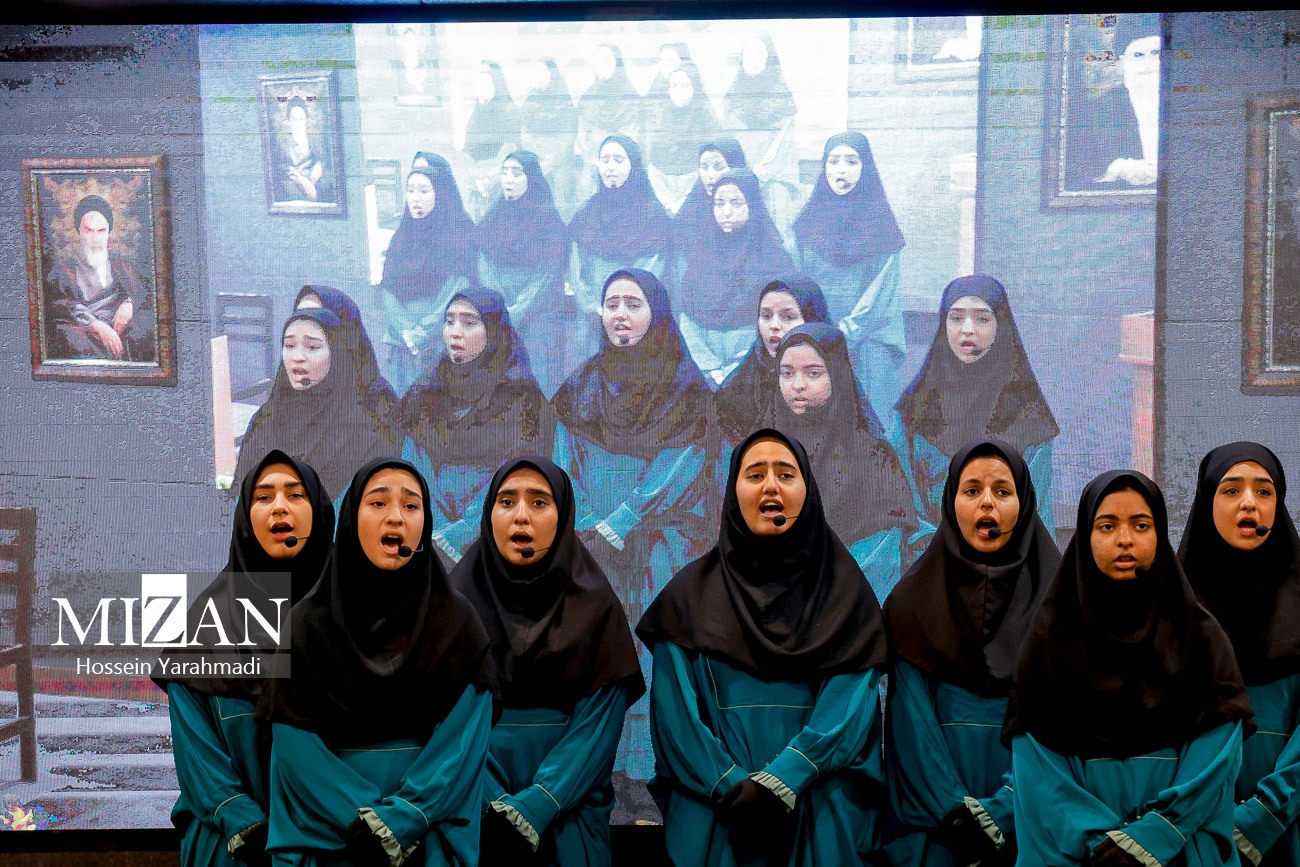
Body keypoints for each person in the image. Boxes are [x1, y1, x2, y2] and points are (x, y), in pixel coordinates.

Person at [637, 428, 890, 866]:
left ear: (808, 491)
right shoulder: (686, 599)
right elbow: (676, 720)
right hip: (721, 813)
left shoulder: (846, 595)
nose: (771, 486)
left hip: (818, 811)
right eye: (755, 475)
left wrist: (784, 779)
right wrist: (730, 784)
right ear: (733, 492)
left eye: (786, 474)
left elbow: (849, 710)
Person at [1004, 470, 1255, 867]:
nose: (1125, 539)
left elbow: (1217, 757)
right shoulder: (1050, 639)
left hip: (1180, 851)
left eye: (1141, 525)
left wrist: (1154, 836)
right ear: (1085, 536)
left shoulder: (1200, 637)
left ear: (1160, 534)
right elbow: (1038, 770)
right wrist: (1102, 847)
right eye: (1107, 526)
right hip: (1077, 856)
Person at [257, 458, 497, 866]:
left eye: (411, 506)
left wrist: (406, 816)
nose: (396, 518)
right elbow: (294, 745)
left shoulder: (457, 622)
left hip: (427, 837)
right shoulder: (305, 623)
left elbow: (464, 740)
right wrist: (363, 819)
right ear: (352, 518)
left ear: (426, 523)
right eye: (378, 503)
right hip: (333, 838)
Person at [550, 268, 713, 785]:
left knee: (651, 653)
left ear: (657, 314)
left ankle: (649, 771)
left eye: (633, 304)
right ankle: (600, 766)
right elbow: (563, 462)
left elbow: (685, 466)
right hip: (591, 544)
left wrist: (624, 521)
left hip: (660, 543)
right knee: (597, 649)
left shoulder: (688, 389)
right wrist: (588, 525)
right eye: (612, 303)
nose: (620, 314)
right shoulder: (579, 386)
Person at [453, 457, 645, 865]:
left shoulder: (596, 607)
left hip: (569, 812)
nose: (521, 516)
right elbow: (448, 723)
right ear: (488, 515)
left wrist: (542, 801)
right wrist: (493, 800)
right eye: (506, 502)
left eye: (539, 502)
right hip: (475, 805)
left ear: (563, 514)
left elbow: (598, 728)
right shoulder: (455, 608)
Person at [883, 440, 1060, 867]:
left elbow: (1057, 723)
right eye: (972, 490)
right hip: (938, 830)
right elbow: (912, 728)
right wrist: (956, 814)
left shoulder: (1059, 605)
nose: (987, 503)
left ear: (1025, 503)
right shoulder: (911, 603)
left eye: (1002, 491)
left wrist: (1004, 809)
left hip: (1033, 819)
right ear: (950, 501)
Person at [155, 451, 334, 867]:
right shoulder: (205, 625)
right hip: (235, 844)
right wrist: (243, 821)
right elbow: (198, 758)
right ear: (244, 520)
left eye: (296, 495)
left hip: (335, 839)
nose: (279, 507)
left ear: (321, 514)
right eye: (263, 497)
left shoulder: (356, 618)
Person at [1179, 442, 1300, 867]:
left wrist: (1261, 817)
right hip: (1188, 828)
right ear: (1206, 500)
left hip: (1287, 825)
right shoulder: (1171, 610)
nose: (1249, 503)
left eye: (1264, 491)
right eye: (1230, 490)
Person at [397, 288, 553, 565]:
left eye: (469, 323)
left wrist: (465, 530)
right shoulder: (426, 390)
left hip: (496, 538)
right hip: (426, 534)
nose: (455, 333)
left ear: (493, 331)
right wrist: (431, 524)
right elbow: (411, 462)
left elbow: (522, 472)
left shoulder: (523, 396)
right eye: (449, 322)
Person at [897, 275, 1058, 532]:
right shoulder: (915, 413)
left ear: (1000, 326)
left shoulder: (1028, 416)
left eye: (982, 319)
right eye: (956, 318)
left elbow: (1036, 518)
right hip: (929, 551)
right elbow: (901, 510)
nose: (967, 329)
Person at [773, 324, 917, 598]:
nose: (798, 385)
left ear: (837, 375)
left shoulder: (872, 456)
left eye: (813, 373)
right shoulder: (767, 451)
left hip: (849, 600)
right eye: (787, 373)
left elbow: (882, 554)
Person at [792, 131, 907, 415]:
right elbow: (796, 287)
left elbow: (879, 297)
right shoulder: (805, 227)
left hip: (869, 335)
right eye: (833, 161)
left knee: (871, 410)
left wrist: (844, 334)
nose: (841, 170)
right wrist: (818, 331)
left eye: (852, 161)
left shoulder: (882, 227)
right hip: (816, 333)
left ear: (865, 168)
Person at [235, 308, 391, 509]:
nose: (298, 357)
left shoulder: (365, 431)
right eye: (289, 345)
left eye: (312, 347)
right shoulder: (265, 419)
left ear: (336, 353)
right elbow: (240, 499)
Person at [674, 168, 794, 384]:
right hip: (704, 370)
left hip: (755, 371)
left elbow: (779, 320)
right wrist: (709, 368)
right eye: (719, 204)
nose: (726, 212)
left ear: (753, 205)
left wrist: (738, 368)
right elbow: (688, 316)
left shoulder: (774, 259)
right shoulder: (700, 255)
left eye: (736, 203)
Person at [478, 150, 579, 398]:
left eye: (517, 173)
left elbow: (549, 273)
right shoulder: (493, 218)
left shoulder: (548, 222)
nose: (508, 179)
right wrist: (501, 305)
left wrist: (519, 310)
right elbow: (484, 261)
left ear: (531, 178)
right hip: (500, 313)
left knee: (538, 382)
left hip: (540, 316)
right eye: (504, 172)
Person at [379, 156, 478, 394]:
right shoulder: (401, 238)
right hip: (403, 342)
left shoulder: (455, 237)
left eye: (424, 191)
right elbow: (388, 289)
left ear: (439, 195)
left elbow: (457, 288)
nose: (416, 198)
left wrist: (423, 332)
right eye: (410, 190)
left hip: (439, 339)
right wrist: (406, 331)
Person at [568, 134, 672, 330]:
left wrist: (622, 309)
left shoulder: (652, 215)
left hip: (634, 318)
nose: (610, 167)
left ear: (633, 166)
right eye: (605, 160)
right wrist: (593, 307)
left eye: (618, 160)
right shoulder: (587, 214)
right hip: (592, 317)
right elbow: (576, 270)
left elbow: (651, 270)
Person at [714, 276, 829, 446]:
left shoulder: (837, 385)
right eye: (766, 316)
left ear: (813, 321)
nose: (774, 325)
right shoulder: (736, 389)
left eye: (788, 317)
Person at [45, 194, 156, 361]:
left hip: (121, 328)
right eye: (88, 231)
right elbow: (62, 306)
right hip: (85, 330)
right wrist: (97, 325)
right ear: (79, 232)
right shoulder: (64, 270)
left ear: (109, 233)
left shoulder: (122, 266)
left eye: (101, 231)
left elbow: (142, 293)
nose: (95, 239)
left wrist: (129, 303)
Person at [295, 284, 399, 452]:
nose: (305, 326)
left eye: (317, 318)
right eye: (299, 317)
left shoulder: (378, 403)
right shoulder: (283, 401)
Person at [645, 62, 719, 209]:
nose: (678, 91)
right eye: (674, 86)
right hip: (663, 191)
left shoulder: (707, 122)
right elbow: (653, 163)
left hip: (697, 194)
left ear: (695, 88)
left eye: (684, 86)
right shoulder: (660, 119)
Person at [672, 137, 749, 244]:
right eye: (704, 167)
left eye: (719, 168)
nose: (710, 175)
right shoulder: (689, 216)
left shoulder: (753, 218)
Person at [277, 97, 331, 204]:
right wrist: (302, 181)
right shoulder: (283, 141)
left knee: (326, 185)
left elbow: (321, 160)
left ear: (306, 119)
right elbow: (283, 166)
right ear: (289, 120)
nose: (298, 123)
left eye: (301, 119)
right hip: (294, 180)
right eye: (295, 119)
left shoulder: (313, 139)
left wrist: (317, 170)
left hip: (314, 178)